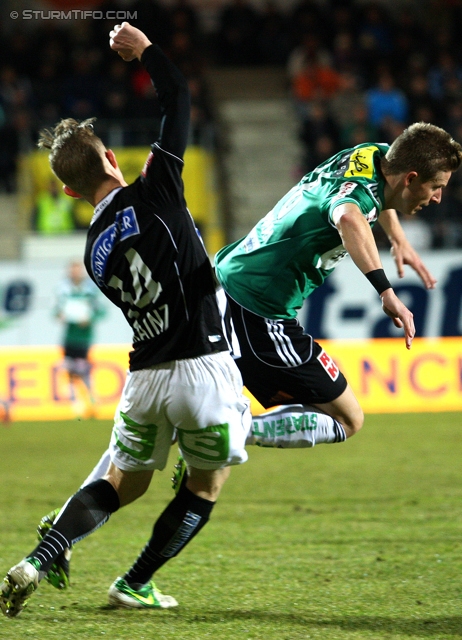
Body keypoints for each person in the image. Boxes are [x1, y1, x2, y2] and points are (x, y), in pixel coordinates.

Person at [0, 22, 253, 618]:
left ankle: (42, 555)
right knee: (204, 484)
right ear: (114, 158)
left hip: (144, 383)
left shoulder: (91, 249)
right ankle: (135, 581)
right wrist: (144, 52)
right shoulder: (157, 187)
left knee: (124, 481)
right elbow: (180, 98)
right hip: (203, 368)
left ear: (67, 192)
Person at [214, 122, 462, 453]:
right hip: (258, 307)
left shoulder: (372, 154)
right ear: (412, 179)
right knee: (348, 419)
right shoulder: (360, 199)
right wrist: (386, 291)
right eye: (436, 186)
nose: (438, 197)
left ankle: (214, 438)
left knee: (214, 399)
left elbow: (382, 195)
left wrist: (399, 238)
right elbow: (349, 217)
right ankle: (225, 434)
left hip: (232, 278)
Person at [55, 259, 105, 418]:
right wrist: (60, 315)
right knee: (70, 371)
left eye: (77, 269)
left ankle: (92, 400)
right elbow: (55, 311)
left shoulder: (90, 289)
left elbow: (101, 311)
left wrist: (89, 318)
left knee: (84, 370)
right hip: (69, 337)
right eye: (72, 269)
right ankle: (76, 404)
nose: (74, 272)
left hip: (84, 338)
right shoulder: (63, 289)